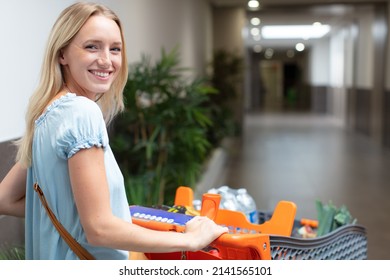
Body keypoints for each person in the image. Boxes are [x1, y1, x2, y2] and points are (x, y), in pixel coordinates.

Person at [0, 2, 227, 260]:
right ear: (62, 54)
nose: (106, 60)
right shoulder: (82, 113)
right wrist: (189, 239)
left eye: (115, 49)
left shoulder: (46, 117)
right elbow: (99, 229)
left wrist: (78, 214)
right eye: (91, 46)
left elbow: (4, 199)